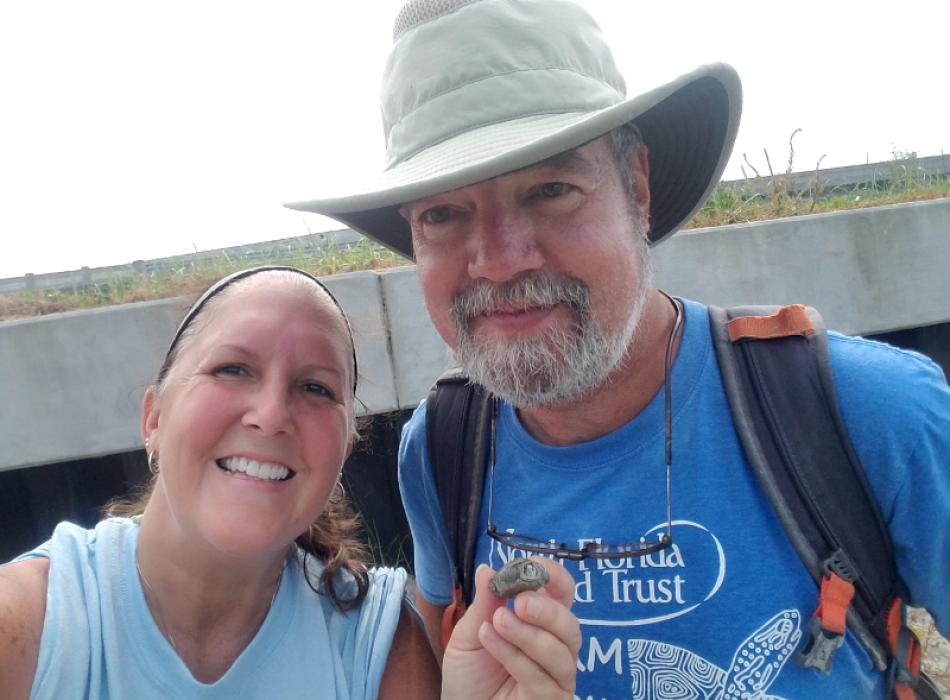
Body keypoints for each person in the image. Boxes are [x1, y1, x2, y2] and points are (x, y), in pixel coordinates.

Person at [285, 0, 950, 698]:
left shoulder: (872, 412)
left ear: (638, 189)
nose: (501, 260)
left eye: (551, 189)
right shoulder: (442, 449)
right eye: (443, 213)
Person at [0, 266, 581, 699]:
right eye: (233, 369)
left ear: (342, 453)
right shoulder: (29, 623)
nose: (271, 413)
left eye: (315, 388)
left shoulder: (378, 646)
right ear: (153, 416)